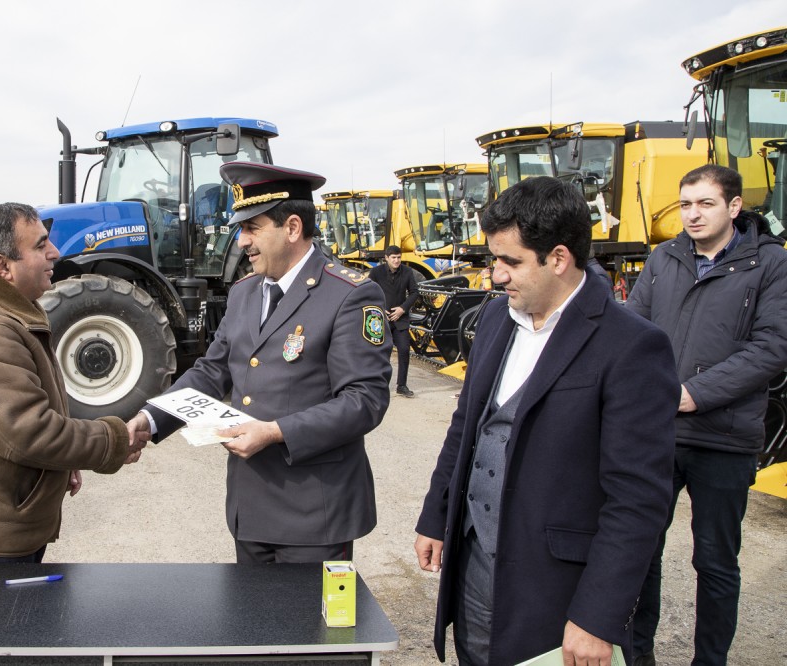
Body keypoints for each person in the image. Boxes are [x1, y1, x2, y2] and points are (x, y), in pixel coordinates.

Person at [413, 176, 679, 665]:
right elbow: (466, 428)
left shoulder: (632, 346)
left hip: (555, 589)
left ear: (558, 258)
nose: (495, 276)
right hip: (475, 570)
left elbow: (638, 498)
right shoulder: (495, 320)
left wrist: (598, 616)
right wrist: (436, 515)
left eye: (510, 262)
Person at [128, 162, 393, 564]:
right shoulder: (244, 293)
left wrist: (274, 431)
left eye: (252, 228)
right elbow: (212, 370)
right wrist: (151, 418)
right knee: (254, 626)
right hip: (250, 506)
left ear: (291, 228)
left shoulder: (350, 295)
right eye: (240, 230)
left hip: (314, 512)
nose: (241, 242)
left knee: (308, 627)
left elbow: (364, 400)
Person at [0, 202, 148, 598]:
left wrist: (61, 465)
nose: (55, 253)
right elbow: (28, 434)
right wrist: (114, 440)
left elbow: (21, 413)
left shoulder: (5, 308)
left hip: (3, 524)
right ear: (3, 266)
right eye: (40, 245)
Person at [628, 164, 787, 666]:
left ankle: (709, 661)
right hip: (659, 434)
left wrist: (692, 394)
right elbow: (633, 329)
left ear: (734, 207)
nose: (692, 214)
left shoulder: (770, 264)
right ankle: (637, 656)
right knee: (639, 551)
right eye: (686, 204)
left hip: (724, 437)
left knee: (715, 562)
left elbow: (772, 347)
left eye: (705, 204)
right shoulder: (663, 257)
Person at [368, 245, 419, 397]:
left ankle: (401, 385)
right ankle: (379, 385)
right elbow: (367, 290)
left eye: (399, 257)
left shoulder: (407, 272)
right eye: (393, 258)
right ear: (386, 258)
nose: (397, 261)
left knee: (404, 350)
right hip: (380, 319)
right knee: (382, 353)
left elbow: (414, 292)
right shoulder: (376, 272)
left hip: (400, 319)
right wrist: (379, 308)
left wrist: (402, 309)